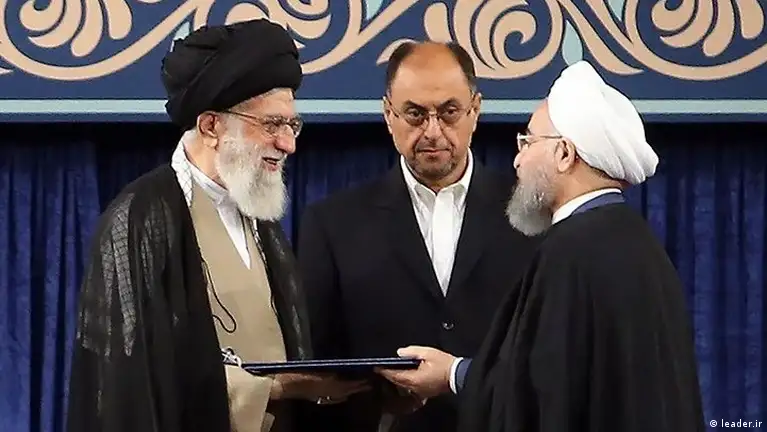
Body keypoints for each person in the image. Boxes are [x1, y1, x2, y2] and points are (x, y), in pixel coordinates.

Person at [66, 19, 368, 432]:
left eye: (291, 125)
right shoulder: (141, 218)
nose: (288, 143)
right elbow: (131, 378)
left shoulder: (260, 223)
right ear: (211, 126)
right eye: (271, 125)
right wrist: (274, 388)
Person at [377, 60, 706, 432]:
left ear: (564, 154)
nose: (517, 159)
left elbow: (540, 395)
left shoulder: (571, 253)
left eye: (528, 141)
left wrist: (451, 374)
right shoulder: (636, 241)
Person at [295, 41, 536, 431]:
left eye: (449, 112)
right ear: (388, 114)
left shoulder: (533, 215)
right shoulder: (332, 224)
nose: (433, 131)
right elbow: (318, 369)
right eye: (415, 114)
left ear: (475, 110)